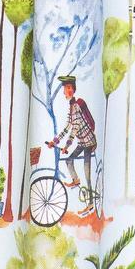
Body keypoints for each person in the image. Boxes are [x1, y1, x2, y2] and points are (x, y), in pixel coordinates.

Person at [48, 76, 98, 213]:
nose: (66, 91)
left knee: (87, 174)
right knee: (69, 160)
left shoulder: (77, 106)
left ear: (73, 89)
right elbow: (67, 127)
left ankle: (90, 203)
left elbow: (74, 129)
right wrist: (55, 141)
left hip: (89, 142)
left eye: (68, 88)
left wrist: (67, 146)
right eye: (65, 88)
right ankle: (76, 180)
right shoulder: (71, 107)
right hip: (82, 142)